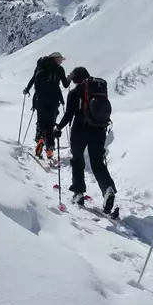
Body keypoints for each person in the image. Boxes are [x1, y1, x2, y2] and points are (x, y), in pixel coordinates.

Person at [53, 66, 116, 213]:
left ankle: (79, 193)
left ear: (75, 79)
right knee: (97, 163)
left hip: (80, 130)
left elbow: (69, 115)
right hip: (99, 130)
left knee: (78, 160)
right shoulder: (98, 90)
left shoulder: (75, 92)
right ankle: (108, 189)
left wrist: (58, 128)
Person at [23, 52, 69, 159]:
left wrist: (27, 89)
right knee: (51, 124)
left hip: (40, 100)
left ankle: (40, 139)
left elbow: (33, 79)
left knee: (41, 121)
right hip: (53, 100)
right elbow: (65, 85)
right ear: (56, 59)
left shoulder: (40, 67)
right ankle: (50, 148)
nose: (61, 61)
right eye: (60, 59)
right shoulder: (59, 69)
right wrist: (70, 78)